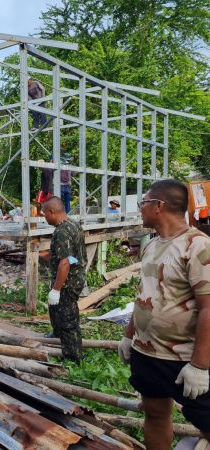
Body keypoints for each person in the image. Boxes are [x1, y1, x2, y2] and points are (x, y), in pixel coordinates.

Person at [118, 179, 210, 450]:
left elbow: (208, 307)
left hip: (183, 359)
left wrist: (200, 366)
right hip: (148, 354)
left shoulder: (198, 246)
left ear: (158, 206)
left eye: (143, 203)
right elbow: (144, 293)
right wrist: (129, 335)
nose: (140, 209)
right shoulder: (151, 245)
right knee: (156, 415)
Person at [39, 196, 87, 363]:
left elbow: (65, 262)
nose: (43, 216)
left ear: (52, 212)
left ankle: (74, 357)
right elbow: (72, 256)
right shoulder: (73, 225)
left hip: (68, 282)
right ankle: (57, 335)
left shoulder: (62, 231)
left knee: (68, 319)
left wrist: (57, 289)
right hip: (73, 276)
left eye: (44, 213)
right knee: (56, 310)